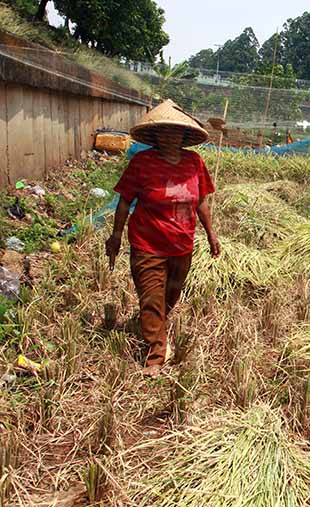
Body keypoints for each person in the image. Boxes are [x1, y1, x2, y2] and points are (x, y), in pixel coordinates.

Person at [105, 100, 221, 377]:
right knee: (151, 298)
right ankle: (156, 356)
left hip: (182, 244)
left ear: (184, 136)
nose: (170, 137)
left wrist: (211, 234)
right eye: (164, 132)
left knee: (170, 295)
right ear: (155, 135)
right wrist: (116, 235)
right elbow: (124, 202)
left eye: (176, 132)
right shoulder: (142, 162)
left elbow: (201, 202)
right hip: (147, 244)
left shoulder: (194, 162)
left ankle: (156, 324)